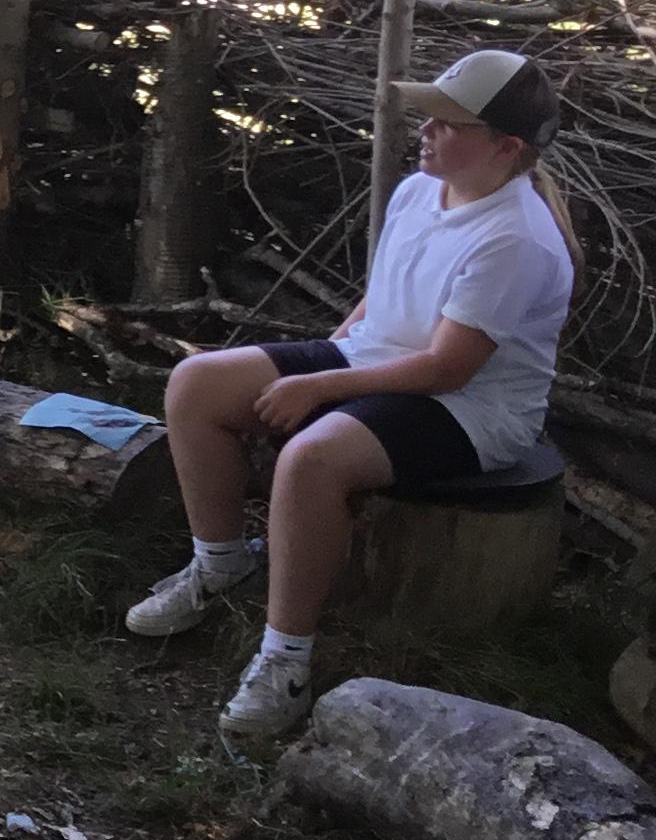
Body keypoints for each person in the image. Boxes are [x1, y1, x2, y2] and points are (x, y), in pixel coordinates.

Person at [125, 47, 576, 754]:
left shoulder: (516, 239)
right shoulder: (419, 190)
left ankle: (286, 660)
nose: (425, 131)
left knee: (313, 459)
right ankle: (220, 562)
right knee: (197, 383)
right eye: (428, 116)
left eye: (448, 123)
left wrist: (318, 386)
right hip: (380, 360)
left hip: (472, 412)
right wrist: (327, 352)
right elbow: (383, 295)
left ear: (505, 147)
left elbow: (448, 368)